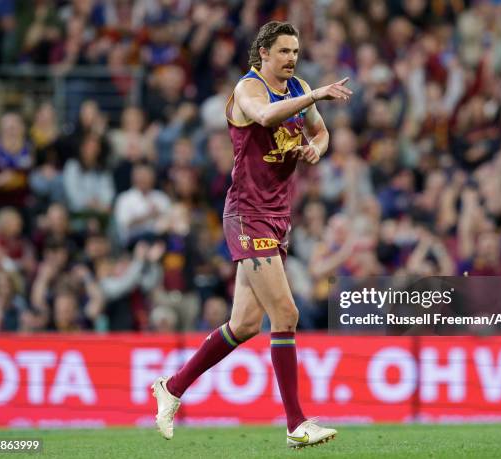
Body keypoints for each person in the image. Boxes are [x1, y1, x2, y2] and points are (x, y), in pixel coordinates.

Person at [151, 21, 352, 448]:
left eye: (295, 51)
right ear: (264, 53)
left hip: (277, 215)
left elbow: (321, 131)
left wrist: (317, 147)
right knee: (287, 315)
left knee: (244, 324)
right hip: (248, 214)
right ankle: (296, 424)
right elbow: (264, 116)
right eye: (284, 51)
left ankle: (172, 387)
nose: (292, 59)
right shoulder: (248, 90)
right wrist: (314, 95)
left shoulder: (297, 85)